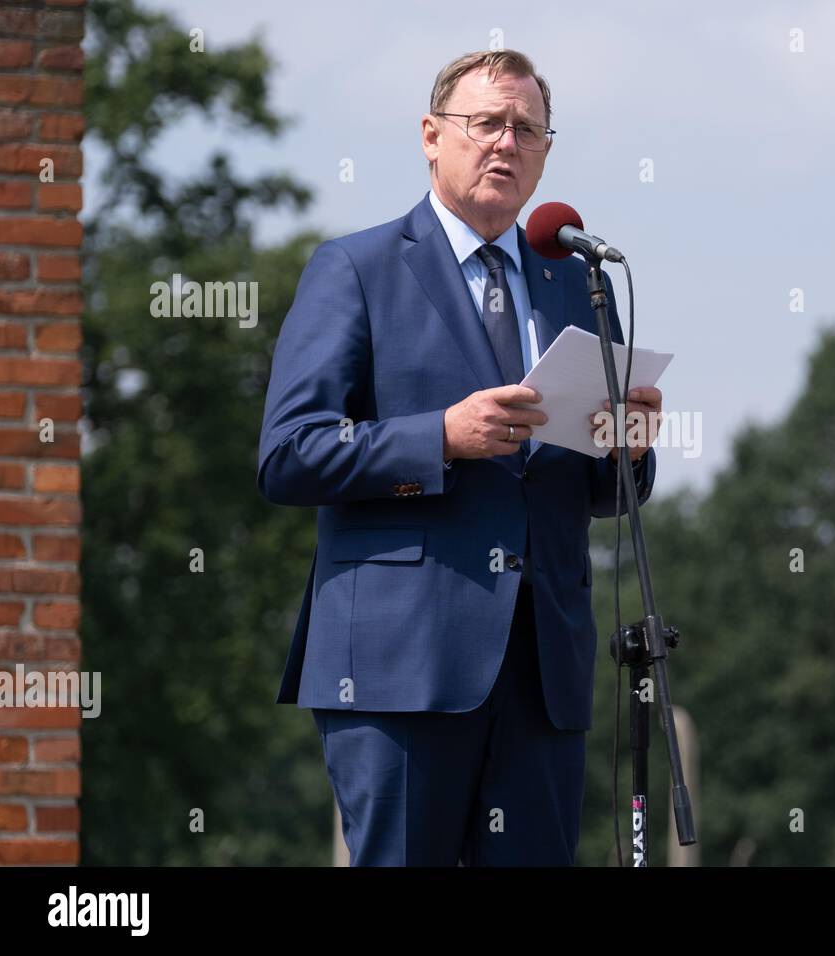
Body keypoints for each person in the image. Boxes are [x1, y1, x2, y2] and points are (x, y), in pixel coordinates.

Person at [256, 49, 662, 866]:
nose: (506, 143)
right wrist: (439, 437)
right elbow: (289, 454)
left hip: (543, 668)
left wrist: (626, 446)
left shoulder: (576, 282)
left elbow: (607, 490)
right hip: (400, 666)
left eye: (526, 129)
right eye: (486, 124)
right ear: (431, 136)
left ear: (547, 151)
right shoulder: (356, 269)